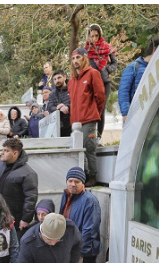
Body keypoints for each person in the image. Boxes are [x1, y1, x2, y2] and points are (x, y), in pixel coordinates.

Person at [69, 47, 105, 187]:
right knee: (78, 149)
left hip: (89, 119)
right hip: (75, 122)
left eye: (78, 57)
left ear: (84, 58)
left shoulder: (92, 73)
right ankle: (82, 176)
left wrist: (94, 112)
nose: (75, 61)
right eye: (73, 59)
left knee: (88, 147)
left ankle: (92, 176)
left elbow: (100, 96)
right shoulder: (72, 80)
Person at [60, 167, 102, 263]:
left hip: (85, 253)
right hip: (71, 248)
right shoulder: (66, 195)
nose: (73, 184)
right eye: (70, 181)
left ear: (82, 183)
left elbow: (89, 231)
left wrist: (80, 255)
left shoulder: (89, 200)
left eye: (77, 182)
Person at [118, 35, 159, 123]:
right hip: (134, 117)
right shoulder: (134, 67)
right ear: (156, 49)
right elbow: (123, 92)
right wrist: (126, 114)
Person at [84, 24, 117, 140]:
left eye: (96, 36)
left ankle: (99, 136)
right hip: (91, 83)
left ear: (100, 35)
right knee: (91, 108)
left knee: (101, 109)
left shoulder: (107, 47)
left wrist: (107, 69)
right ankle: (90, 136)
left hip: (104, 81)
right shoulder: (86, 50)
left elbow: (114, 63)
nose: (94, 38)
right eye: (92, 36)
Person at [45, 71, 72, 137]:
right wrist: (59, 108)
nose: (57, 80)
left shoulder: (72, 89)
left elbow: (77, 103)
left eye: (59, 77)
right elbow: (50, 107)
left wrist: (67, 107)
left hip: (73, 123)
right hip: (60, 126)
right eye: (55, 79)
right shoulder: (52, 94)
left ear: (64, 77)